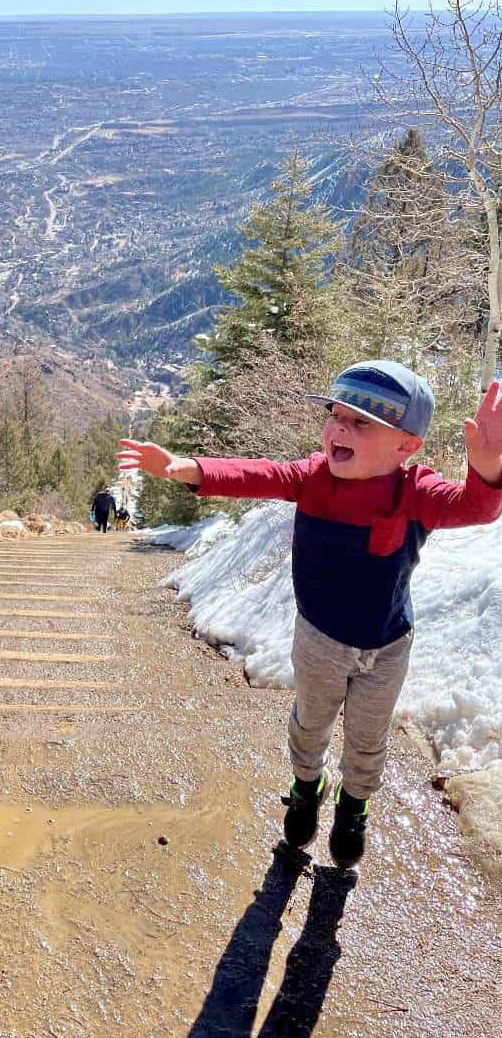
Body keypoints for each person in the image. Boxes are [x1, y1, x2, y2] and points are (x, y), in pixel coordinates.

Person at [118, 360, 502, 870]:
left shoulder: (415, 492)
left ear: (406, 446)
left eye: (361, 422)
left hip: (386, 645)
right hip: (318, 638)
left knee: (367, 741)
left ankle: (354, 807)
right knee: (310, 725)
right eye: (335, 416)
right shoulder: (314, 478)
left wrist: (489, 469)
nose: (339, 428)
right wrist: (189, 468)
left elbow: (477, 508)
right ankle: (306, 787)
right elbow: (262, 473)